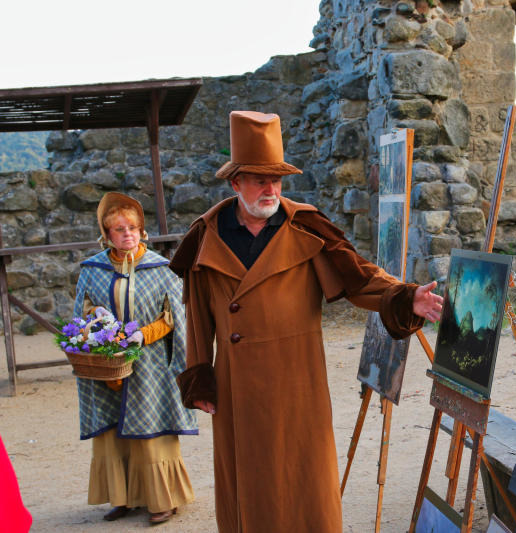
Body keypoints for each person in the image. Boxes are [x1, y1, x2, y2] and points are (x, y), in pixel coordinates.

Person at [170, 111, 443, 532]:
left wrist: (406, 296)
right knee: (252, 493)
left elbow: (359, 279)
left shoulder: (307, 227)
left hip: (299, 381)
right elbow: (196, 318)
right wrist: (199, 377)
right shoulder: (206, 238)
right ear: (235, 182)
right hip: (238, 388)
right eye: (259, 178)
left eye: (276, 179)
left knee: (305, 484)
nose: (270, 189)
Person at [73, 192, 198, 524]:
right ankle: (123, 497)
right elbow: (81, 312)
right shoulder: (93, 269)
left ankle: (161, 500)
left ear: (142, 231)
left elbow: (175, 315)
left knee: (151, 431)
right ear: (106, 234)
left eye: (132, 227)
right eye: (118, 229)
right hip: (108, 362)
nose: (126, 233)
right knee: (113, 431)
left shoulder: (161, 268)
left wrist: (145, 334)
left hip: (151, 363)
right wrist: (95, 318)